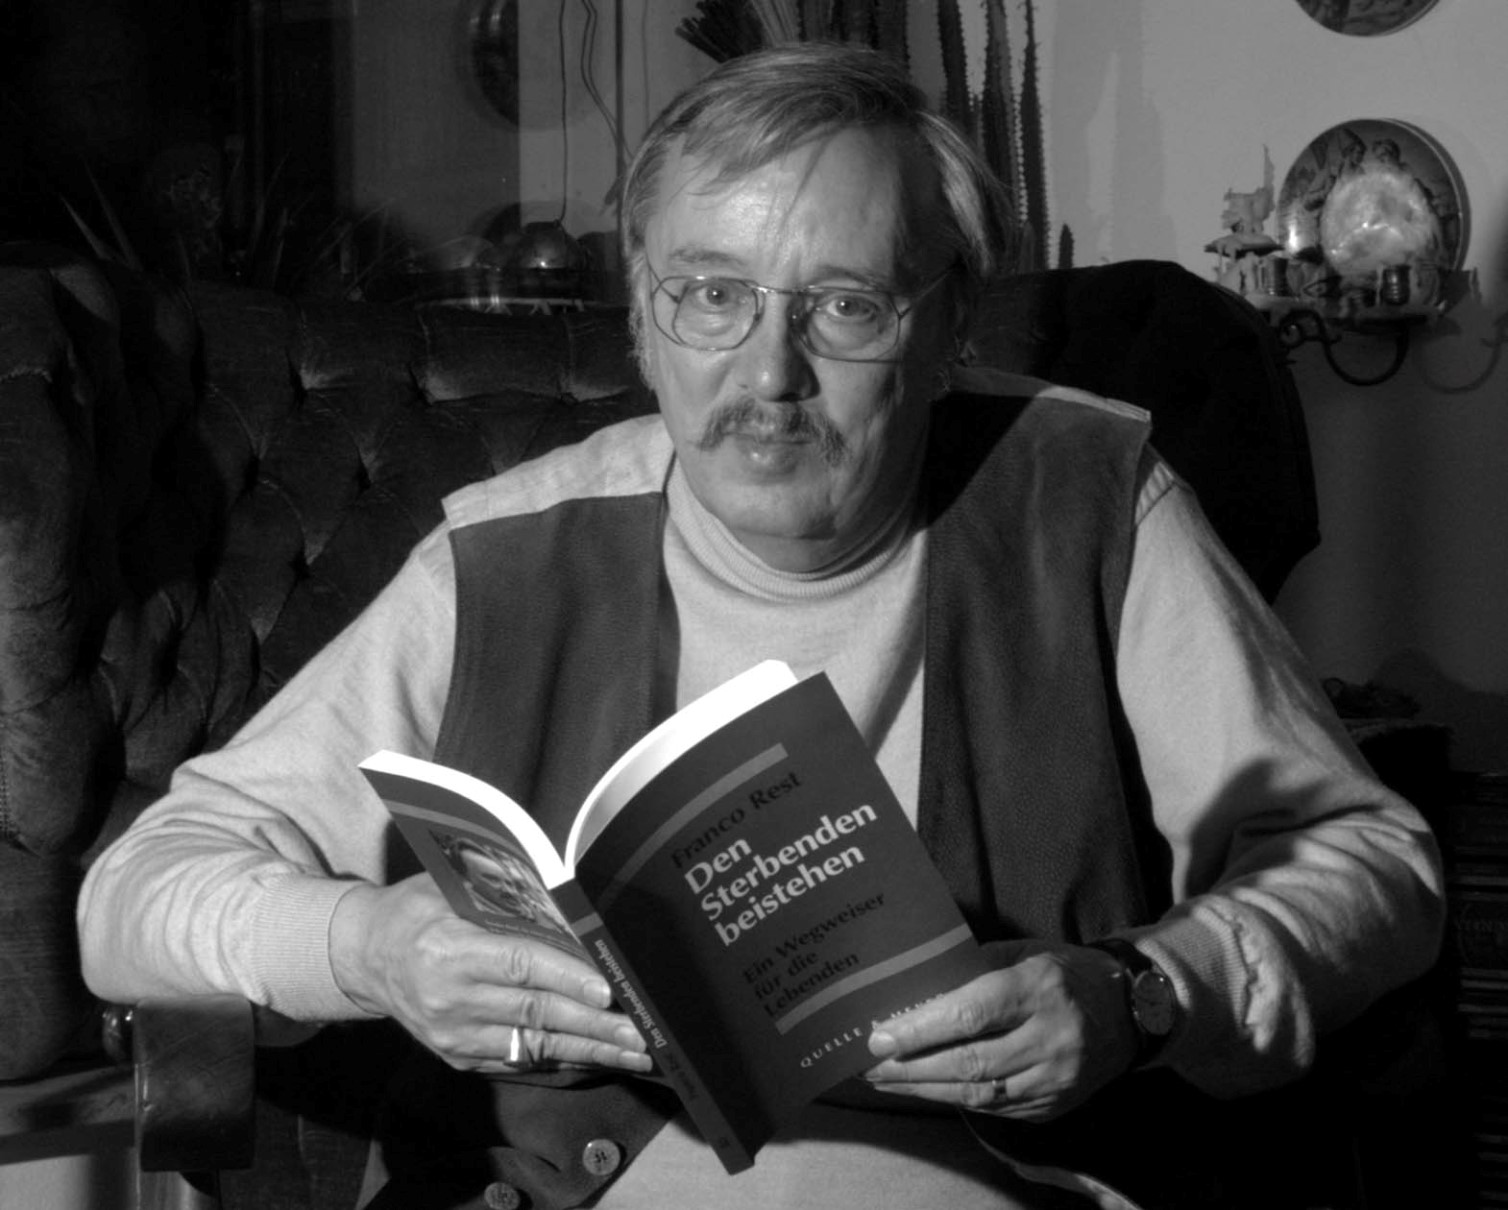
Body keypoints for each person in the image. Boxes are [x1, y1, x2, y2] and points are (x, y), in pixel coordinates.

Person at [78, 42, 1444, 1210]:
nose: (770, 373)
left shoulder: (1092, 502)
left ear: (947, 329)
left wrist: (1144, 994)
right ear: (643, 319)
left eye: (845, 305)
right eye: (713, 294)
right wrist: (371, 948)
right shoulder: (503, 555)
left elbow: (1375, 866)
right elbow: (134, 897)